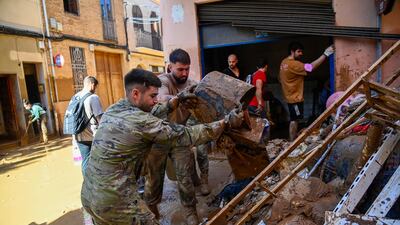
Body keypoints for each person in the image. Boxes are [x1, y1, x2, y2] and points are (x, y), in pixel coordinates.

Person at [81, 68, 243, 225]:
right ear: (136, 94)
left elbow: (150, 111)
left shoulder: (115, 109)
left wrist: (176, 101)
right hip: (114, 200)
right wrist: (226, 122)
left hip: (89, 196)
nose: (156, 100)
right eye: (152, 96)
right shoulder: (142, 122)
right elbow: (186, 135)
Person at [144, 49, 209, 225]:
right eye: (180, 69)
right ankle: (153, 215)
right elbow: (162, 97)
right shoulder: (162, 81)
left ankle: (190, 213)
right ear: (169, 66)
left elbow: (206, 102)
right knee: (153, 181)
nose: (184, 73)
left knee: (185, 177)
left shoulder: (192, 84)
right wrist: (180, 98)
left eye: (187, 69)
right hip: (156, 138)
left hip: (178, 136)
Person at [279, 42, 334, 141]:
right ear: (292, 51)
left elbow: (280, 78)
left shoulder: (284, 62)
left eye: (301, 51)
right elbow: (311, 67)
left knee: (294, 119)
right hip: (294, 99)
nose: (301, 54)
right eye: (299, 51)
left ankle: (292, 139)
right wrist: (325, 54)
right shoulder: (294, 64)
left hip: (289, 96)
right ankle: (292, 142)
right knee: (294, 120)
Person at [71, 76, 103, 175]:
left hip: (78, 134)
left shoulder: (75, 97)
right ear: (92, 85)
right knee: (100, 161)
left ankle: (87, 185)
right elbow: (100, 119)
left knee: (85, 161)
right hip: (92, 135)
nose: (95, 90)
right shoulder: (93, 97)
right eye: (95, 87)